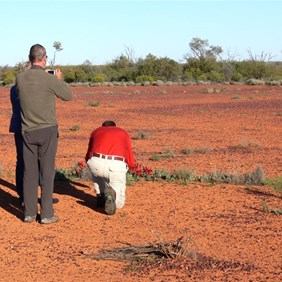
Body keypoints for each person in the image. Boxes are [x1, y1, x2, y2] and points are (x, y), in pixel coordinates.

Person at [16, 44, 72, 224]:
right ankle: (47, 213)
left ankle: (29, 213)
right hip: (47, 130)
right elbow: (67, 96)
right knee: (47, 171)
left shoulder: (20, 78)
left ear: (29, 57)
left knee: (29, 172)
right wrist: (59, 79)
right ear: (45, 57)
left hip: (27, 130)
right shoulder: (50, 79)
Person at [9, 62, 59, 208]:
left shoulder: (15, 88)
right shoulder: (25, 89)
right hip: (29, 127)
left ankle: (25, 197)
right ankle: (35, 198)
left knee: (23, 162)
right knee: (37, 163)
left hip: (20, 127)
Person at [85, 120, 135, 215]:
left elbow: (89, 152)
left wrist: (89, 163)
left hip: (96, 162)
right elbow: (128, 151)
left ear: (102, 126)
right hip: (115, 164)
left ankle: (100, 195)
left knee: (97, 177)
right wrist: (131, 166)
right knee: (119, 204)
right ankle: (112, 200)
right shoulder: (122, 132)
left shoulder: (96, 131)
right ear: (115, 126)